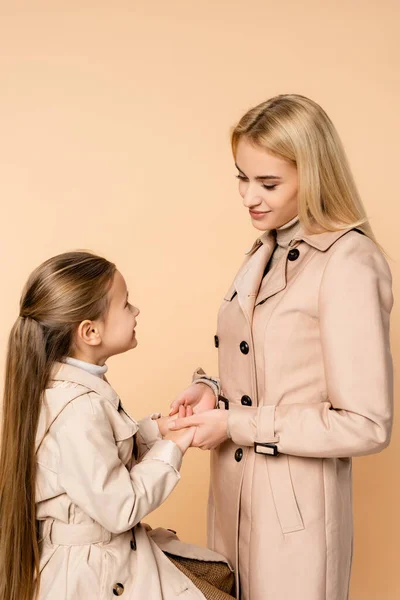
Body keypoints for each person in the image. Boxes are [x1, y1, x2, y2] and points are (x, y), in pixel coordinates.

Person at [169, 94, 394, 600]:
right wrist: (211, 390)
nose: (250, 196)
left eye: (268, 183)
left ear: (313, 174)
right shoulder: (263, 250)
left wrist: (235, 425)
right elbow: (271, 369)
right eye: (241, 178)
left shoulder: (347, 262)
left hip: (296, 522)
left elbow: (367, 422)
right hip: (231, 502)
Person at [0, 251, 235, 600]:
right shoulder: (78, 409)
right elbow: (119, 507)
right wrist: (177, 444)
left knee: (219, 578)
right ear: (90, 331)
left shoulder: (73, 392)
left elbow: (101, 458)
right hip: (93, 577)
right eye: (126, 305)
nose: (136, 311)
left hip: (101, 561)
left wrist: (161, 429)